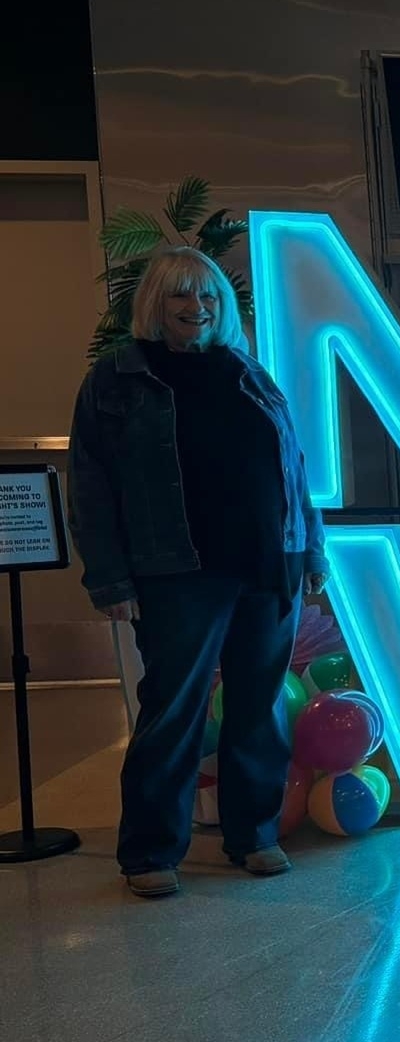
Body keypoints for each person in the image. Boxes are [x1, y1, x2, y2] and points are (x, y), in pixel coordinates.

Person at [68, 246, 328, 899]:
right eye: (181, 294)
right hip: (176, 572)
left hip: (268, 565)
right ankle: (151, 850)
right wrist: (109, 579)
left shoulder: (248, 372)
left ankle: (254, 835)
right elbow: (91, 487)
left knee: (259, 709)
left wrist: (312, 551)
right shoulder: (116, 379)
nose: (198, 307)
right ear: (155, 303)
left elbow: (294, 469)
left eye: (209, 295)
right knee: (172, 710)